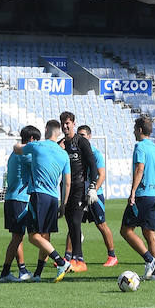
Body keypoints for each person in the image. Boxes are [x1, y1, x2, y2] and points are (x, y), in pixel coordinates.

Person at [14, 119, 73, 282]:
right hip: (54, 198)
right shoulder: (64, 155)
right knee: (45, 236)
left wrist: (17, 144)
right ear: (58, 133)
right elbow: (67, 182)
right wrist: (64, 204)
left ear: (47, 130)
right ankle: (38, 274)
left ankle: (62, 262)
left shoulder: (38, 145)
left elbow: (18, 149)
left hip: (39, 195)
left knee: (33, 236)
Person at [119, 115, 155, 282]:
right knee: (149, 233)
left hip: (143, 195)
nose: (133, 132)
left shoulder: (140, 147)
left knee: (126, 230)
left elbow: (140, 169)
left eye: (134, 129)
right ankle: (154, 274)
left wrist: (132, 192)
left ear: (139, 130)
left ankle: (150, 260)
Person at [58, 111, 97, 272]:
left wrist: (92, 186)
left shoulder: (81, 142)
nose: (65, 126)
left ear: (73, 123)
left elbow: (92, 164)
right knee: (70, 223)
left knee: (75, 222)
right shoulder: (60, 145)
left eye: (68, 123)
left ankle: (79, 260)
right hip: (65, 188)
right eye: (63, 123)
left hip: (79, 187)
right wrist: (58, 150)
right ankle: (74, 258)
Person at [77, 125, 118, 267]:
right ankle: (69, 257)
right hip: (80, 194)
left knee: (101, 225)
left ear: (89, 136)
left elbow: (102, 175)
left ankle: (112, 256)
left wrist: (93, 190)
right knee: (74, 224)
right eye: (78, 135)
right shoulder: (76, 154)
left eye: (83, 135)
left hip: (95, 195)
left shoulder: (96, 154)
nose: (80, 138)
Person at [0, 129, 33, 282]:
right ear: (31, 139)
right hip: (19, 199)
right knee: (17, 237)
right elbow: (40, 163)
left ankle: (22, 269)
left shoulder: (15, 154)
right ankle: (5, 272)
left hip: (12, 198)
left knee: (18, 236)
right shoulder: (25, 155)